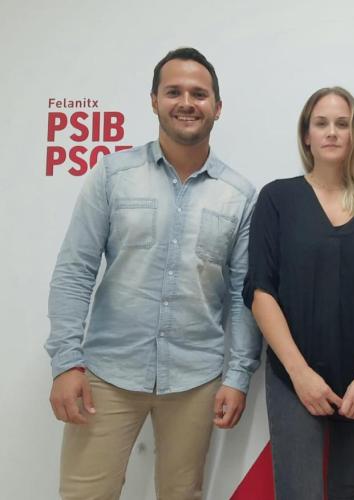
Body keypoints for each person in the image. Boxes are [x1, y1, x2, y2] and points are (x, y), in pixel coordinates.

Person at [44, 47, 261, 500]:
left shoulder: (239, 195)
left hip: (195, 379)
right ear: (154, 100)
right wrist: (66, 362)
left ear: (217, 107)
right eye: (174, 92)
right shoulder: (113, 175)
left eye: (199, 94)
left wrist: (238, 375)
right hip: (107, 373)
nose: (187, 102)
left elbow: (243, 296)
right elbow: (75, 271)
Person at [243, 86, 354, 500]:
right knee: (299, 493)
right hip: (293, 377)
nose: (332, 132)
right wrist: (300, 374)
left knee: (349, 490)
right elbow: (260, 290)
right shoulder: (277, 198)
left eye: (342, 124)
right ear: (306, 135)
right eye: (321, 123)